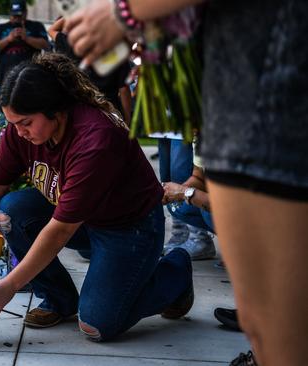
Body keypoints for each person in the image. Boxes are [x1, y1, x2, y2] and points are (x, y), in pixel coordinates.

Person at [64, 1, 308, 365]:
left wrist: (124, 12)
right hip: (234, 81)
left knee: (282, 328)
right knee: (261, 322)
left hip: (270, 73)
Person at [0, 53, 193, 341]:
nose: (19, 132)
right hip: (84, 218)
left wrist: (8, 285)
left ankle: (176, 272)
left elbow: (59, 231)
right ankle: (59, 299)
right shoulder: (20, 132)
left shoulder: (95, 139)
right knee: (11, 211)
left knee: (98, 324)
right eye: (13, 123)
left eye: (25, 122)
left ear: (55, 111)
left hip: (129, 228)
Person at [47, 17, 132, 120]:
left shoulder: (72, 46)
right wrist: (127, 118)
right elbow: (124, 89)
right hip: (110, 110)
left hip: (81, 111)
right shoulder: (118, 52)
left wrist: (77, 12)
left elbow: (51, 30)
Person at [157, 136, 215, 259]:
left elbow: (226, 204)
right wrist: (173, 191)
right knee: (177, 207)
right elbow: (198, 177)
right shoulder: (199, 136)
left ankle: (246, 249)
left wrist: (185, 192)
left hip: (249, 207)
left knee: (209, 214)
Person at [0, 0, 49, 85]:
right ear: (10, 13)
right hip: (6, 78)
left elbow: (45, 45)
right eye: (14, 15)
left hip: (32, 78)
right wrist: (8, 39)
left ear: (26, 13)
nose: (16, 18)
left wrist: (27, 38)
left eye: (19, 15)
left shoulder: (36, 26)